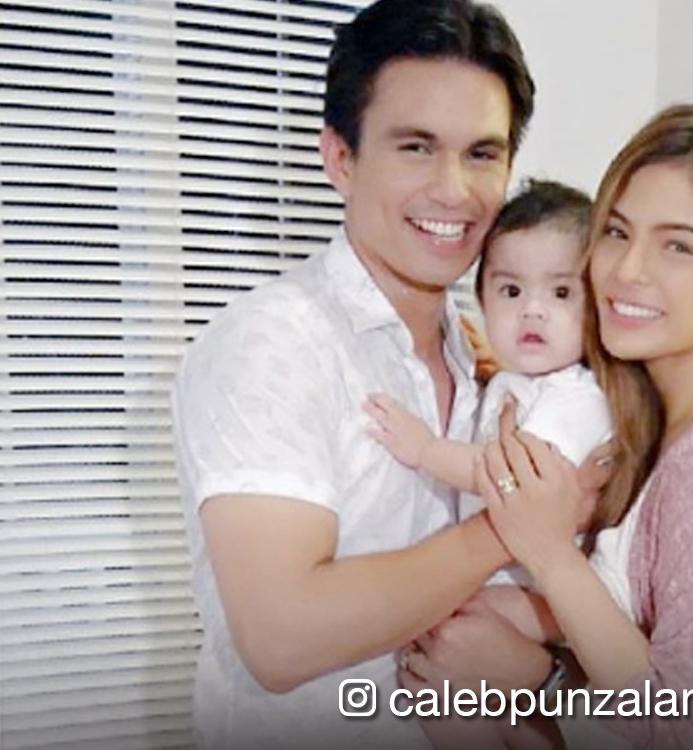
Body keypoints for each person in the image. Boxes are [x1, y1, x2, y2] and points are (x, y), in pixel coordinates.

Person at [168, 1, 585, 748]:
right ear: (340, 159)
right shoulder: (274, 344)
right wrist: (516, 522)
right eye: (416, 147)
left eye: (482, 154)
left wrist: (537, 673)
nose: (453, 189)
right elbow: (282, 638)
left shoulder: (492, 353)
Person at [412, 104, 693, 749]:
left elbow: (687, 730)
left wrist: (539, 668)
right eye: (618, 232)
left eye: (678, 246)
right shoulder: (639, 411)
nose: (627, 271)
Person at [364, 179, 614, 587]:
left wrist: (426, 450)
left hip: (536, 589)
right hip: (495, 573)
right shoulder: (515, 381)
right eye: (511, 291)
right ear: (482, 300)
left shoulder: (579, 399)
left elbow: (514, 480)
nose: (533, 309)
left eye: (561, 292)